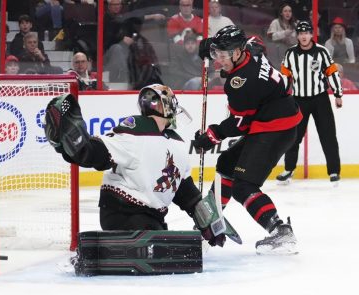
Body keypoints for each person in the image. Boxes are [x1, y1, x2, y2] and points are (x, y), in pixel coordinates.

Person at [44, 84, 228, 247]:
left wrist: (209, 222)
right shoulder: (135, 131)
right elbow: (95, 153)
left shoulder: (176, 144)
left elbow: (185, 193)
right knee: (158, 245)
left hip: (151, 219)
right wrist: (73, 144)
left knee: (161, 240)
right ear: (169, 107)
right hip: (123, 214)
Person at [196, 25, 301, 254]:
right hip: (273, 118)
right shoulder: (252, 49)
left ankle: (280, 231)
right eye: (216, 54)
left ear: (236, 53)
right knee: (226, 164)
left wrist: (212, 135)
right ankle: (211, 222)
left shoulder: (242, 82)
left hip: (275, 128)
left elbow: (239, 124)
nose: (218, 60)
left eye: (222, 55)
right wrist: (211, 44)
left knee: (244, 185)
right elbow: (253, 40)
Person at [277, 21, 343, 184]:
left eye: (306, 33)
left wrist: (337, 93)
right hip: (298, 100)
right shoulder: (290, 53)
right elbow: (285, 76)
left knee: (328, 135)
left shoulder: (322, 51)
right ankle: (289, 170)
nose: (304, 36)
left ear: (311, 34)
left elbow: (332, 73)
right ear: (297, 35)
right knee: (293, 136)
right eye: (300, 33)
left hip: (320, 98)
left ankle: (334, 171)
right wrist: (283, 96)